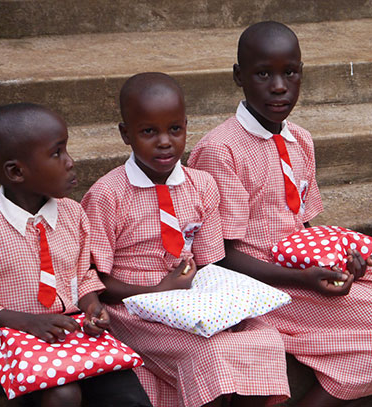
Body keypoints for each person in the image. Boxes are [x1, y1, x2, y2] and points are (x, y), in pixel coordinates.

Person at [188, 21, 372, 407]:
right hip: (258, 283)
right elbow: (219, 256)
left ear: (301, 73)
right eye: (263, 74)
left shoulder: (300, 140)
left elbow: (304, 224)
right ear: (239, 77)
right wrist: (304, 278)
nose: (279, 86)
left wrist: (341, 258)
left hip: (304, 269)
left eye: (290, 73)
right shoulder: (221, 150)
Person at [81, 72, 290, 407]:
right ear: (125, 134)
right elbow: (96, 279)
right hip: (132, 309)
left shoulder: (202, 185)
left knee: (262, 338)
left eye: (174, 129)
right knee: (207, 351)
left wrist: (220, 301)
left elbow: (210, 261)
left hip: (191, 301)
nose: (165, 141)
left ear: (186, 127)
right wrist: (157, 291)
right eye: (149, 131)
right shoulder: (108, 196)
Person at [0, 103, 151, 407]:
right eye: (57, 153)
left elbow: (82, 276)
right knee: (63, 394)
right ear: (16, 171)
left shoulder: (73, 213)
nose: (69, 162)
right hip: (6, 346)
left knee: (127, 395)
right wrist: (28, 323)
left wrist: (92, 309)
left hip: (72, 338)